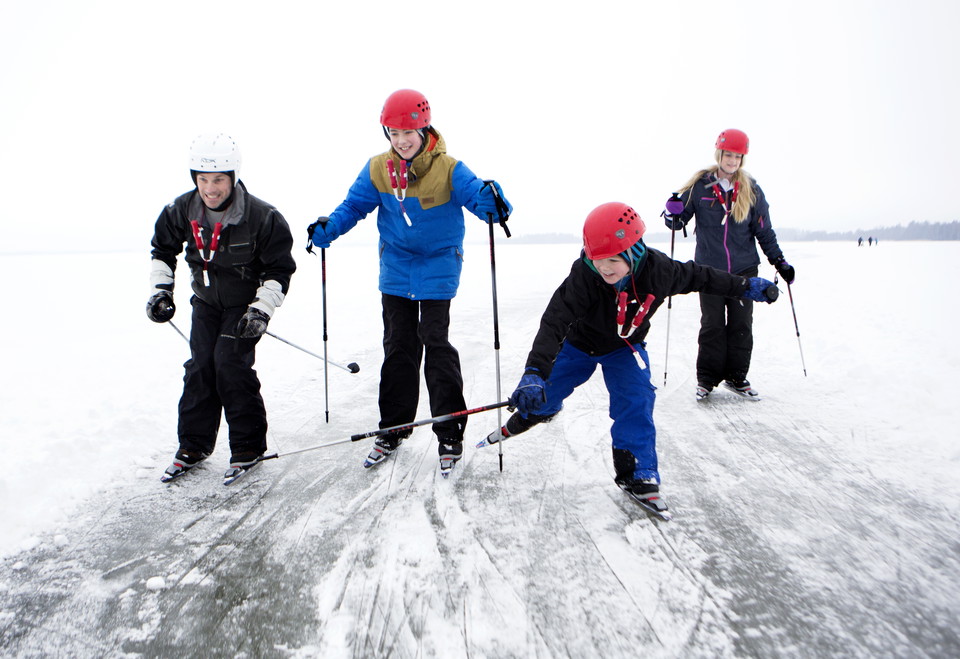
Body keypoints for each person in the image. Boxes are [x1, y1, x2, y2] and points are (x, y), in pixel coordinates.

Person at [484, 202, 778, 512]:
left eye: (612, 259)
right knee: (543, 394)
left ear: (634, 251)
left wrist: (747, 287)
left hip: (626, 348)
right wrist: (533, 372)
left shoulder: (660, 271)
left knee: (636, 400)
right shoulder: (583, 276)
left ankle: (638, 473)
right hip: (578, 347)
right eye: (597, 260)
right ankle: (536, 412)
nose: (605, 268)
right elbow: (554, 322)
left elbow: (703, 277)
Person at [308, 89, 513, 475]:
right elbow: (354, 206)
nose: (401, 140)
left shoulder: (450, 168)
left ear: (425, 128)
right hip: (397, 269)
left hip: (438, 266)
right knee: (399, 347)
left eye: (409, 132)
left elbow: (481, 201)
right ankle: (393, 428)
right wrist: (328, 229)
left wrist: (494, 201)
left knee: (435, 343)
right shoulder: (377, 168)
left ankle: (449, 432)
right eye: (394, 132)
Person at [148, 133, 297, 483]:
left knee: (229, 364)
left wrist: (261, 310)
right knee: (201, 365)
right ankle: (194, 445)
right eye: (203, 180)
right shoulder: (180, 210)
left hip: (244, 307)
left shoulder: (262, 216)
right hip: (205, 302)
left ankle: (248, 447)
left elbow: (279, 269)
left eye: (218, 180)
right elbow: (162, 250)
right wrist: (160, 292)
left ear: (233, 176)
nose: (210, 188)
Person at [664, 128, 794, 400]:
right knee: (712, 324)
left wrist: (779, 262)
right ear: (719, 153)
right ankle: (707, 380)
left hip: (744, 270)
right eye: (728, 154)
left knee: (741, 325)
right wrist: (672, 212)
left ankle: (737, 377)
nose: (732, 160)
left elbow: (764, 232)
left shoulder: (752, 190)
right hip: (709, 271)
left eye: (738, 156)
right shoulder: (700, 185)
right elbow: (678, 221)